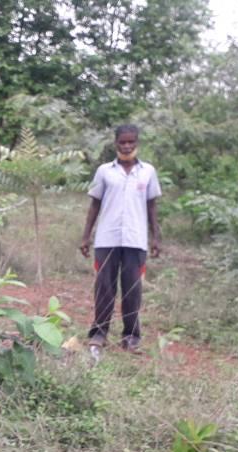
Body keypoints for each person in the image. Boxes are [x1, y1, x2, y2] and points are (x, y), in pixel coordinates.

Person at [79, 124, 162, 353]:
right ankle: (99, 333)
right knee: (104, 288)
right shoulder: (104, 171)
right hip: (107, 239)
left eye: (131, 142)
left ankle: (131, 337)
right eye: (122, 142)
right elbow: (94, 204)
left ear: (137, 142)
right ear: (115, 143)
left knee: (132, 290)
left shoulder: (148, 172)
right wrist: (86, 236)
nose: (126, 146)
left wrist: (156, 237)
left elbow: (151, 206)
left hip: (135, 240)